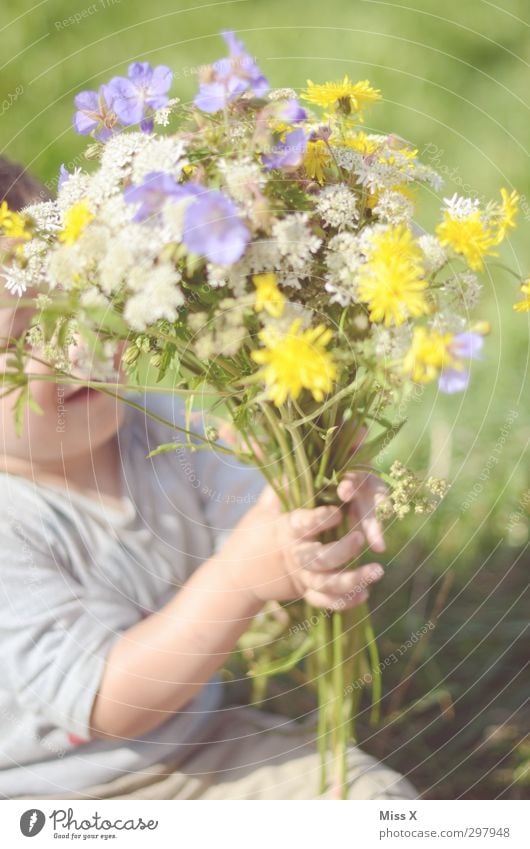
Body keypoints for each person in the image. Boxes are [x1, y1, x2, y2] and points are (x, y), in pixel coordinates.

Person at [0, 158, 416, 800]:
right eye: (25, 332)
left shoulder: (153, 427)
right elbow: (111, 701)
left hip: (202, 745)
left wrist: (316, 487)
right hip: (60, 801)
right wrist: (241, 579)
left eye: (76, 299)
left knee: (375, 809)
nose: (73, 346)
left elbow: (262, 525)